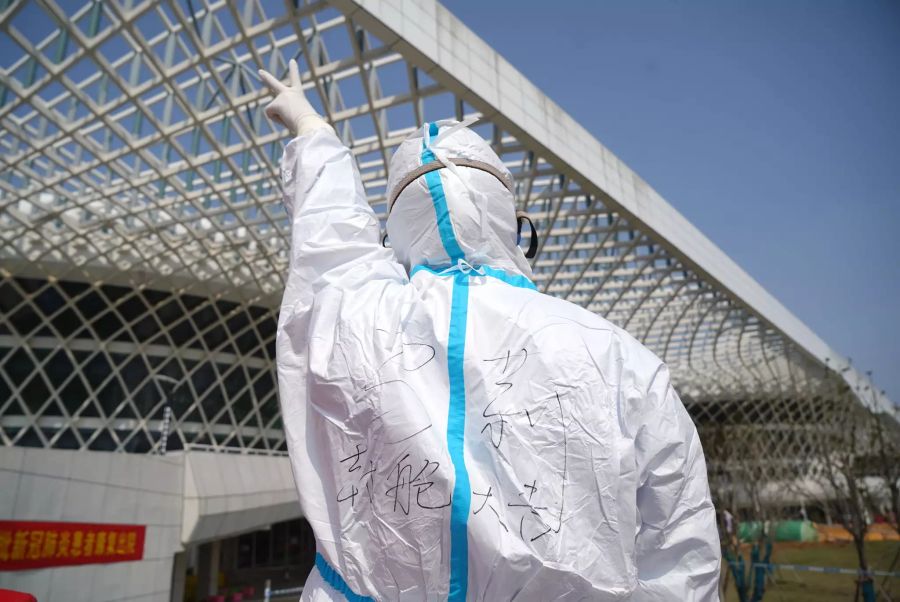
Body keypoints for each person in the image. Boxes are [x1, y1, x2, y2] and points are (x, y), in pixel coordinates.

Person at [260, 60, 721, 601]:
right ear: (513, 223)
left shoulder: (354, 319)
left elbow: (329, 238)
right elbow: (683, 556)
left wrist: (312, 129)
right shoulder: (620, 361)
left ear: (397, 232)